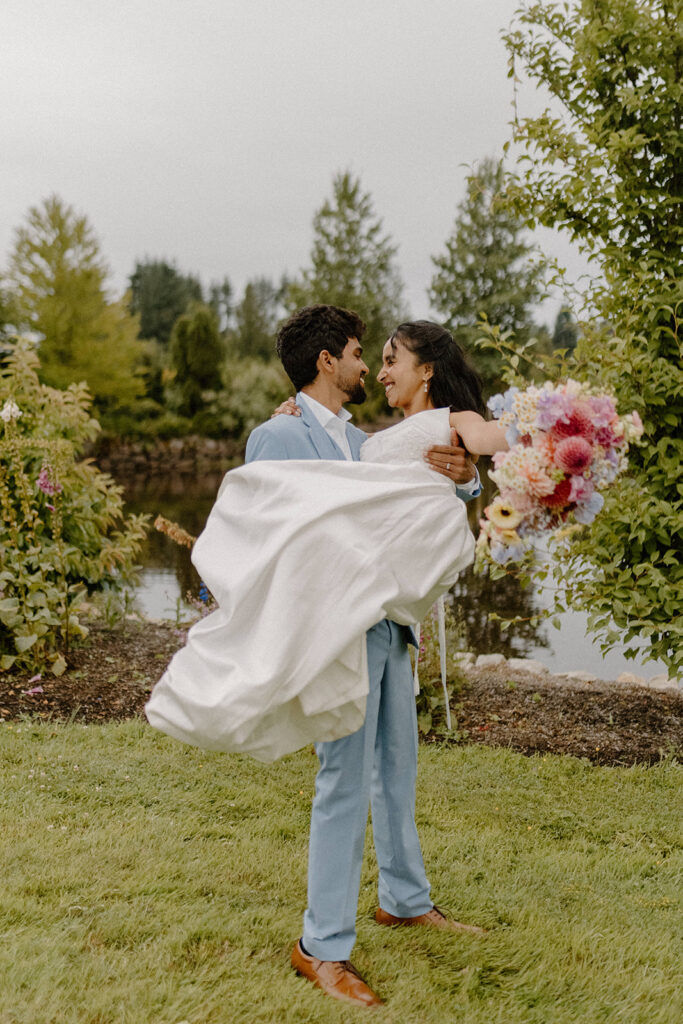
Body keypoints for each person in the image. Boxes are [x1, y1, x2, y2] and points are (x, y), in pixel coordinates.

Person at [146, 306, 506, 1009]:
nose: (368, 364)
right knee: (343, 778)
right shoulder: (280, 433)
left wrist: (462, 475)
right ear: (325, 362)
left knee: (396, 771)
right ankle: (321, 947)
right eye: (356, 351)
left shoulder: (369, 437)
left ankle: (405, 899)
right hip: (333, 630)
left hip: (388, 625)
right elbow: (256, 527)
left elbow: (421, 488)